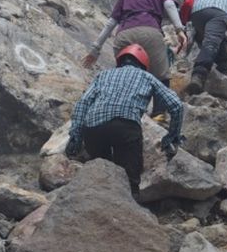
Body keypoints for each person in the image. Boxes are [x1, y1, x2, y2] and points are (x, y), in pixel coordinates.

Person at [67, 44, 184, 194]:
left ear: (119, 61)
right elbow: (176, 105)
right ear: (143, 64)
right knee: (129, 180)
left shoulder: (103, 75)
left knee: (101, 174)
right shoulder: (147, 77)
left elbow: (82, 103)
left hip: (93, 128)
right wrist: (172, 136)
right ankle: (130, 201)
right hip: (125, 126)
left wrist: (75, 136)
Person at [83, 0, 188, 86]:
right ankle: (160, 107)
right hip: (149, 33)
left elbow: (111, 23)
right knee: (162, 78)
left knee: (124, 79)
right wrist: (179, 30)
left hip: (123, 36)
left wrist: (95, 49)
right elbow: (169, 4)